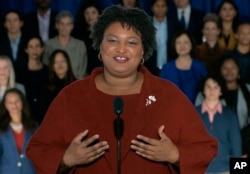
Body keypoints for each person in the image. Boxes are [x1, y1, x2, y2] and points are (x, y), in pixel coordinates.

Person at [26, 5, 217, 174]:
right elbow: (38, 149)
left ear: (143, 51)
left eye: (132, 42)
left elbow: (204, 147)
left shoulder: (168, 95)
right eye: (113, 40)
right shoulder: (71, 96)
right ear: (99, 46)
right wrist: (66, 159)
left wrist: (175, 155)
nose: (121, 49)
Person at [195, 74, 242, 173]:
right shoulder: (193, 113)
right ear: (203, 90)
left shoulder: (230, 115)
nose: (212, 90)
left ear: (221, 91)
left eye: (216, 87)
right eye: (208, 86)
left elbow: (237, 147)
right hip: (199, 169)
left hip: (225, 169)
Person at [160, 30, 207, 104]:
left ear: (191, 45)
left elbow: (205, 91)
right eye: (178, 42)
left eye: (186, 42)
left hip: (196, 110)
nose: (182, 46)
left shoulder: (200, 67)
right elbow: (162, 93)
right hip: (173, 110)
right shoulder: (166, 68)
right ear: (174, 45)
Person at [0, 88, 37, 174]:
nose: (14, 105)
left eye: (17, 101)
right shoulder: (1, 128)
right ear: (5, 105)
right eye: (10, 102)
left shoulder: (34, 126)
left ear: (22, 102)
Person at [42, 10, 88, 79]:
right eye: (62, 24)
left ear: (72, 26)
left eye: (68, 24)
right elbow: (45, 66)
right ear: (57, 25)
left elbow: (82, 69)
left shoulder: (80, 45)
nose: (64, 27)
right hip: (53, 85)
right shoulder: (48, 44)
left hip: (75, 85)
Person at [21, 36, 48, 125]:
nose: (34, 50)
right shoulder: (19, 71)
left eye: (37, 46)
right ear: (26, 50)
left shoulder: (48, 70)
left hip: (45, 116)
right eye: (31, 46)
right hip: (26, 116)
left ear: (42, 49)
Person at [73, 0, 103, 75]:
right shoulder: (77, 35)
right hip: (82, 74)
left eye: (93, 12)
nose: (90, 16)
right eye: (87, 13)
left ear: (99, 14)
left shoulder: (105, 34)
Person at [145, 0, 174, 76]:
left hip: (170, 66)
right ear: (152, 8)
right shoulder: (146, 25)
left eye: (163, 6)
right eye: (157, 6)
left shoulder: (174, 25)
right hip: (149, 67)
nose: (160, 9)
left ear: (167, 8)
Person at [0, 10, 29, 83]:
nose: (12, 24)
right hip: (5, 81)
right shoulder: (0, 41)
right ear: (4, 24)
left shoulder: (29, 40)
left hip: (27, 80)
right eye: (9, 21)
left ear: (21, 23)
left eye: (15, 20)